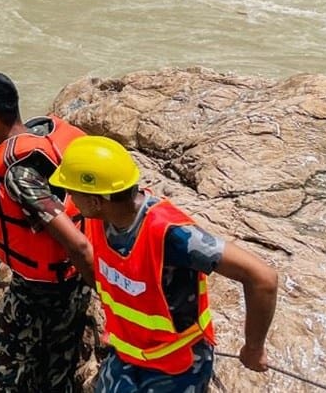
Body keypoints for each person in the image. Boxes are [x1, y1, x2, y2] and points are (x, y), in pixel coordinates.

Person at [50, 136, 277, 392]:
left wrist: (254, 348)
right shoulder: (99, 218)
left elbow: (262, 278)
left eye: (72, 192)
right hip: (127, 353)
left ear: (95, 200)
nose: (68, 198)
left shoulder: (170, 235)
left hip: (177, 364)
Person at [0, 71, 92, 393]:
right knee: (53, 379)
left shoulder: (18, 173)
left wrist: (106, 292)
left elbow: (77, 243)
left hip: (40, 293)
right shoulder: (44, 133)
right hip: (70, 287)